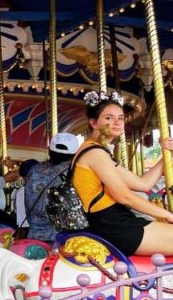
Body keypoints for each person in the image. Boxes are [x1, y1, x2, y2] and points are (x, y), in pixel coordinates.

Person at [73, 91, 173, 256]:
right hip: (116, 225)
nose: (117, 122)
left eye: (120, 118)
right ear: (93, 122)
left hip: (117, 221)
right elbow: (124, 197)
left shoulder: (98, 151)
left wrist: (166, 155)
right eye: (108, 118)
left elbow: (143, 184)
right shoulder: (95, 153)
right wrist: (167, 215)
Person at [21, 133, 80, 243]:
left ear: (49, 150)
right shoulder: (74, 172)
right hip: (64, 237)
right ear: (75, 154)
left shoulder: (34, 170)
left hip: (35, 234)